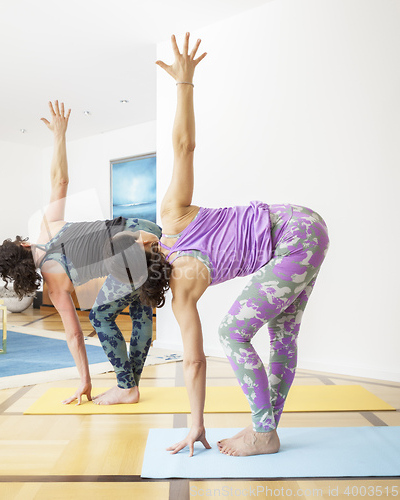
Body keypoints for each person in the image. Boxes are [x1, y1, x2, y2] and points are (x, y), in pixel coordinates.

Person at [110, 33, 329, 456]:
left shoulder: (181, 294)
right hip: (301, 225)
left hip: (293, 238)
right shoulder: (172, 217)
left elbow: (193, 363)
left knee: (234, 332)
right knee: (280, 334)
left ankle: (264, 433)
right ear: (145, 241)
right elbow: (184, 146)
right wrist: (184, 83)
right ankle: (266, 432)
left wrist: (196, 426)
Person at [0, 101, 165, 406]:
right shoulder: (47, 229)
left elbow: (74, 336)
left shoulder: (54, 286)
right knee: (140, 307)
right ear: (23, 245)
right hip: (143, 229)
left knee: (99, 315)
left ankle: (127, 388)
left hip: (131, 250)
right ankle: (129, 387)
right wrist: (59, 135)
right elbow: (60, 180)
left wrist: (84, 381)